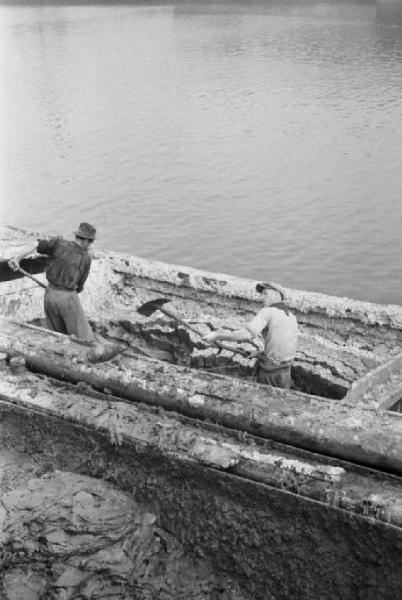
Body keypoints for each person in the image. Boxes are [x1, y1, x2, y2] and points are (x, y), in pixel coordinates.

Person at [8, 222, 97, 342]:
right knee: (83, 336)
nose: (91, 244)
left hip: (49, 295)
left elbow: (36, 244)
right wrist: (76, 290)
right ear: (85, 241)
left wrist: (17, 258)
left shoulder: (59, 243)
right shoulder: (86, 257)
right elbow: (81, 284)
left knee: (57, 334)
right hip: (67, 298)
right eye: (91, 241)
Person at [204, 282, 299, 389]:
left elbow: (246, 334)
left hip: (270, 372)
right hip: (286, 373)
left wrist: (217, 336)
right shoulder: (292, 317)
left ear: (277, 295)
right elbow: (283, 345)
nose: (261, 298)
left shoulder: (268, 311)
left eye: (265, 293)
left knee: (263, 400)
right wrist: (261, 354)